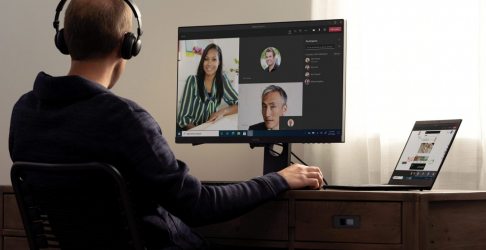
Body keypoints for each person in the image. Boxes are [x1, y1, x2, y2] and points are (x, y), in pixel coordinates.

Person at [8, 1, 323, 249]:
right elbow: (199, 205)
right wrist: (276, 180)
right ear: (128, 45)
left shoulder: (25, 112)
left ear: (65, 39)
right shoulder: (126, 119)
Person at [177, 43, 238, 130]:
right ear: (202, 61)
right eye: (206, 59)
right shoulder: (192, 81)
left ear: (219, 62)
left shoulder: (222, 80)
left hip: (208, 128)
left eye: (214, 59)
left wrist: (222, 112)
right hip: (190, 130)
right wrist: (198, 134)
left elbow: (239, 103)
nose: (209, 63)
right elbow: (183, 118)